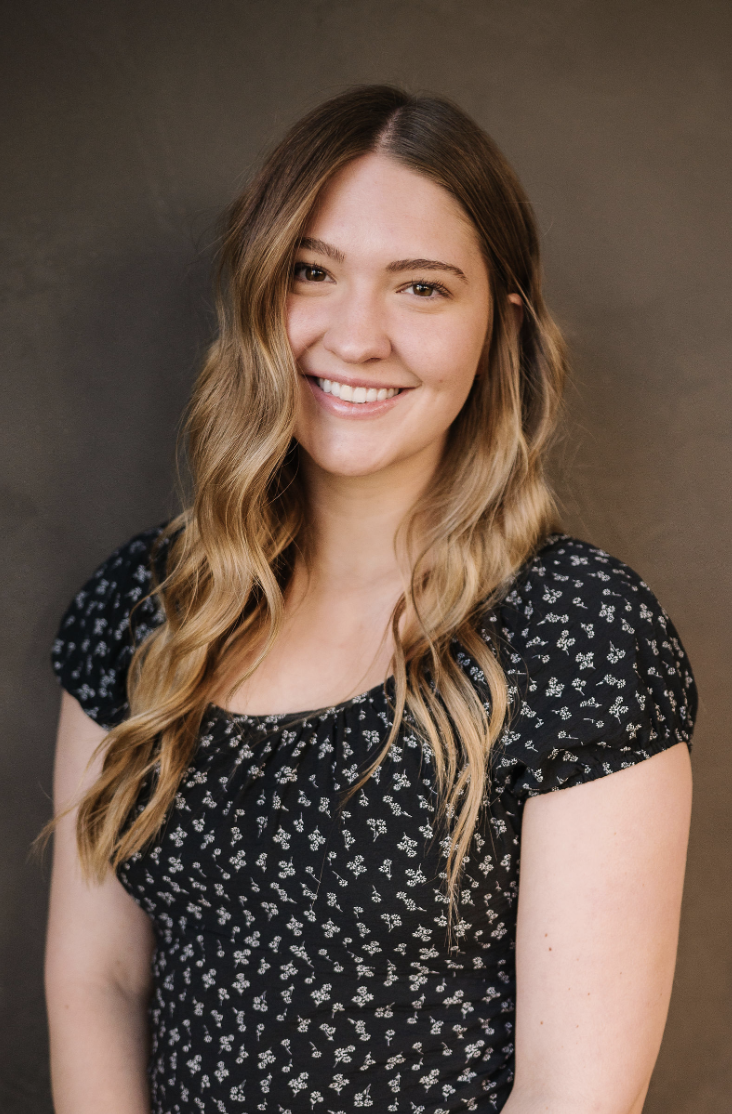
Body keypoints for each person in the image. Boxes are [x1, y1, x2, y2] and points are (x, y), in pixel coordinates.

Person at [45, 85, 697, 1114]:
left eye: (422, 288)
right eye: (313, 272)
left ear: (501, 320)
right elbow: (99, 980)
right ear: (262, 290)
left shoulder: (582, 637)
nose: (356, 337)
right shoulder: (143, 608)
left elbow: (575, 1092)